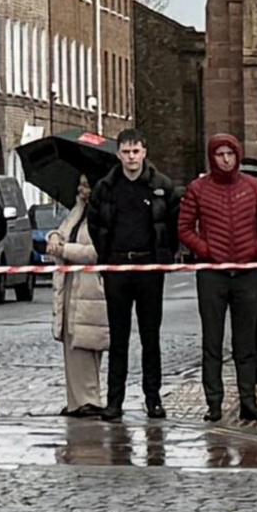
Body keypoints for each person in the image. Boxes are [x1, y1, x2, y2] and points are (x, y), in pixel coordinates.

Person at [179, 133, 257, 423]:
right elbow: (184, 228)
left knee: (246, 342)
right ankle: (214, 403)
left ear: (237, 156)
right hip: (212, 274)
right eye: (220, 154)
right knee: (212, 341)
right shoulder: (198, 188)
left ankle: (248, 401)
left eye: (230, 154)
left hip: (247, 273)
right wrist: (206, 250)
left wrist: (256, 250)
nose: (225, 159)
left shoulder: (253, 187)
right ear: (212, 157)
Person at [89, 133, 178, 418]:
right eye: (126, 151)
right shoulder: (105, 187)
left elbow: (173, 224)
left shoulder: (161, 186)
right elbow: (95, 224)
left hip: (149, 268)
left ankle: (153, 398)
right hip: (117, 267)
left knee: (150, 337)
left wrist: (164, 255)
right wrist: (105, 256)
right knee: (119, 337)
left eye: (135, 151)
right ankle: (115, 400)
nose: (131, 157)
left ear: (144, 152)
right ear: (118, 154)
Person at [53, 185, 111, 416]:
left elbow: (96, 251)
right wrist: (55, 238)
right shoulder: (78, 211)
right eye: (80, 185)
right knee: (71, 341)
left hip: (91, 288)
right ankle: (76, 401)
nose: (82, 190)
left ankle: (89, 399)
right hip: (71, 284)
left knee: (86, 342)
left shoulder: (102, 213)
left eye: (87, 185)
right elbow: (63, 231)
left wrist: (64, 249)